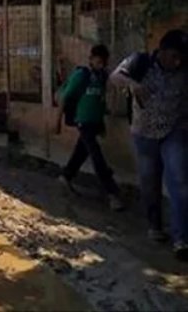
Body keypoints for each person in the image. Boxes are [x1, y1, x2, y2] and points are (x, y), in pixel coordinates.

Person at [111, 29, 188, 259]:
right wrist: (132, 85)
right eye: (174, 56)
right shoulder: (140, 61)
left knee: (180, 181)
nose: (178, 61)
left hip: (174, 132)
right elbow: (114, 77)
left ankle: (182, 239)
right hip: (144, 135)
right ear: (162, 51)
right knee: (150, 183)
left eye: (181, 57)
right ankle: (155, 226)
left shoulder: (185, 69)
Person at [55, 44, 123, 211]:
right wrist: (57, 122)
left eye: (103, 62)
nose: (101, 65)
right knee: (96, 155)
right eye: (98, 61)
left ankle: (66, 176)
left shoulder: (102, 77)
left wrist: (102, 124)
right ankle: (112, 193)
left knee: (82, 151)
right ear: (91, 59)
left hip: (94, 122)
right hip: (82, 121)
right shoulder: (81, 75)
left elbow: (100, 102)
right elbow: (64, 98)